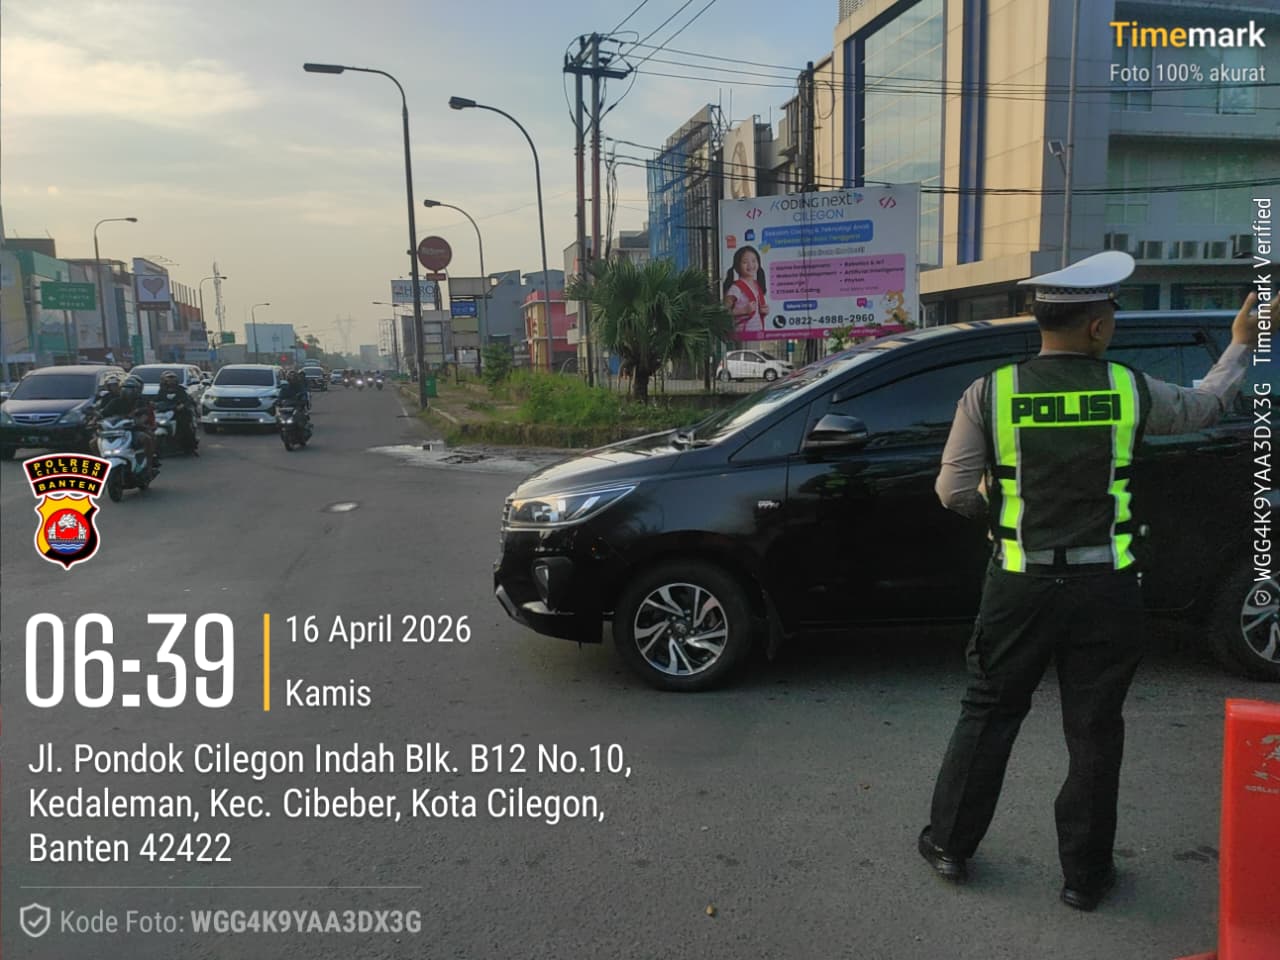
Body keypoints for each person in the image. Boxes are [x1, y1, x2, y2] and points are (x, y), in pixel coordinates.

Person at [919, 251, 1259, 911]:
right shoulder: (1131, 389)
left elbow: (952, 491)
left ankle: (951, 845)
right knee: (1095, 729)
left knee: (988, 713)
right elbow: (1206, 407)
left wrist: (1001, 504)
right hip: (1107, 590)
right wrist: (1239, 345)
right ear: (1098, 327)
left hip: (1017, 587)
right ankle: (1085, 877)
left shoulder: (991, 392)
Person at [95, 373, 158, 470]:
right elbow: (104, 413)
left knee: (146, 439)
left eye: (130, 388)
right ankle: (100, 462)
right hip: (114, 431)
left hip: (133, 430)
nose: (127, 391)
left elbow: (145, 414)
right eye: (125, 388)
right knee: (93, 442)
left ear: (136, 390)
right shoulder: (115, 401)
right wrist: (95, 418)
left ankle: (148, 465)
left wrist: (140, 421)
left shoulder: (141, 401)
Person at [723, 245, 768, 333]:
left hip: (758, 333)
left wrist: (764, 311)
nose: (750, 265)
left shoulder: (757, 286)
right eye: (745, 262)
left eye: (754, 261)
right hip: (742, 334)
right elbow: (724, 312)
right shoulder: (735, 288)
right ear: (737, 266)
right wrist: (743, 310)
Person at [154, 369, 199, 455]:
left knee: (184, 426)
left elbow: (187, 400)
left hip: (179, 413)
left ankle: (190, 447)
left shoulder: (180, 390)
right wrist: (153, 403)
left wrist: (182, 405)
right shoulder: (162, 391)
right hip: (166, 412)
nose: (170, 382)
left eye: (172, 379)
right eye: (168, 379)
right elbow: (157, 399)